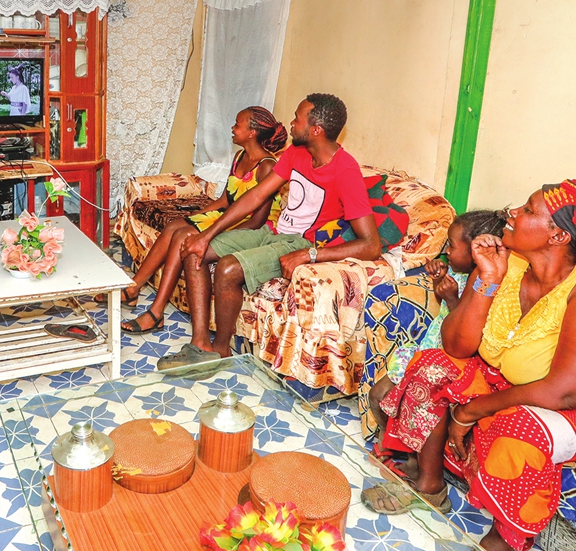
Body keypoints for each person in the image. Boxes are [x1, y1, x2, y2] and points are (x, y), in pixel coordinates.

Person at [363, 181, 576, 551]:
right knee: (431, 365)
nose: (513, 212)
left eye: (528, 210)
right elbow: (455, 346)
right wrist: (486, 280)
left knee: (515, 428)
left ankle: (503, 545)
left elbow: (565, 393)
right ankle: (429, 483)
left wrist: (470, 410)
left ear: (558, 235)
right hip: (518, 382)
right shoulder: (508, 263)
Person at [162, 94, 382, 369]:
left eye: (297, 119)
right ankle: (200, 344)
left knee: (227, 269)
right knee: (195, 246)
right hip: (275, 232)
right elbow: (256, 196)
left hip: (301, 242)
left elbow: (371, 244)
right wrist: (207, 234)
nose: (290, 123)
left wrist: (311, 254)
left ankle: (220, 352)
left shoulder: (346, 171)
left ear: (316, 130)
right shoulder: (296, 153)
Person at [122, 107, 287, 335]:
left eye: (238, 124)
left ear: (251, 133)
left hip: (253, 227)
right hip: (231, 216)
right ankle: (134, 288)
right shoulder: (240, 157)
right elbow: (224, 201)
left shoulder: (268, 166)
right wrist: (193, 218)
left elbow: (257, 221)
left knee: (182, 235)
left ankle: (156, 311)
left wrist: (213, 232)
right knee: (174, 226)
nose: (233, 128)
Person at [366, 209, 508, 461]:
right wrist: (439, 278)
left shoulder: (483, 287)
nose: (448, 252)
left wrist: (452, 298)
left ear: (476, 253)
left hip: (445, 360)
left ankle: (404, 456)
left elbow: (464, 330)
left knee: (384, 397)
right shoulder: (458, 274)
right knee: (378, 396)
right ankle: (390, 446)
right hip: (424, 351)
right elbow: (443, 297)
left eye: (452, 246)